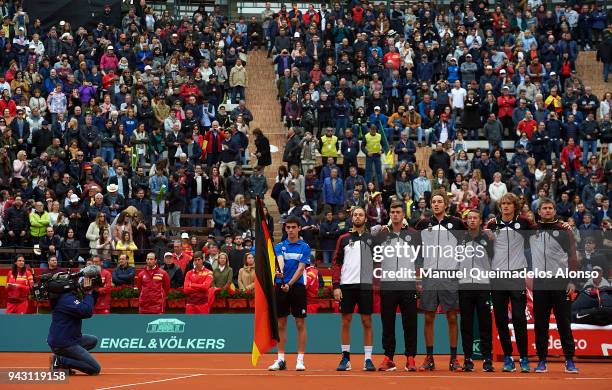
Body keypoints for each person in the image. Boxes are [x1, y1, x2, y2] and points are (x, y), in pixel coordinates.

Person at [414, 190, 465, 371]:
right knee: (429, 317)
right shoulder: (423, 224)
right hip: (429, 277)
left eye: (439, 202)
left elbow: (465, 247)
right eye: (433, 202)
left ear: (445, 204)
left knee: (451, 316)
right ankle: (429, 358)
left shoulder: (457, 223)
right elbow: (415, 250)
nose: (436, 204)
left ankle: (454, 358)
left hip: (449, 276)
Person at [530, 198, 580, 374]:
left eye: (550, 208)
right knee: (541, 325)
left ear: (554, 210)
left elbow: (573, 256)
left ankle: (569, 360)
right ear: (539, 211)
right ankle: (542, 360)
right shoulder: (532, 230)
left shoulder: (564, 230)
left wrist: (572, 280)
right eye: (544, 208)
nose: (548, 210)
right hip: (540, 283)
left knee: (564, 323)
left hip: (560, 282)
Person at [484, 193, 531, 373]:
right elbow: (485, 251)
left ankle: (524, 358)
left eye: (509, 204)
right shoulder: (491, 225)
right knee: (502, 320)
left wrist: (563, 225)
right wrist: (487, 240)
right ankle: (508, 357)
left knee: (519, 318)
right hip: (497, 276)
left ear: (514, 206)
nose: (505, 206)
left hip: (517, 275)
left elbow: (541, 230)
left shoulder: (525, 223)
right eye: (503, 203)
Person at [373, 201, 418, 372]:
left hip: (408, 284)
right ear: (389, 214)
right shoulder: (382, 234)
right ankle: (388, 357)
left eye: (398, 212)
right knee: (388, 322)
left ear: (403, 214)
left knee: (410, 322)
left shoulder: (413, 234)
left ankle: (411, 357)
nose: (395, 215)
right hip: (388, 283)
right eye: (392, 212)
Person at [331, 207, 376, 372]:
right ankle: (345, 358)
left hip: (365, 286)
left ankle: (368, 359)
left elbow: (378, 263)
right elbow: (336, 263)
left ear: (365, 218)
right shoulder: (343, 239)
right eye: (355, 215)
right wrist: (336, 285)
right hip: (347, 285)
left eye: (361, 215)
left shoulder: (372, 239)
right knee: (345, 321)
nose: (358, 217)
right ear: (352, 217)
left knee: (367, 322)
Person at [268, 216, 311, 371]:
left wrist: (289, 283)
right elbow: (280, 261)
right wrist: (280, 273)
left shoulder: (304, 247)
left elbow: (301, 269)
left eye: (293, 227)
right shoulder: (280, 246)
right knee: (281, 323)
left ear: (299, 228)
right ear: (285, 229)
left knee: (300, 323)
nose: (291, 230)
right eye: (288, 227)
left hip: (297, 287)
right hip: (280, 287)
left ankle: (300, 360)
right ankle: (280, 360)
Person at [458, 209, 495, 372]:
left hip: (483, 286)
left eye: (475, 218)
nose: (472, 220)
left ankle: (488, 359)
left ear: (481, 221)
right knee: (466, 324)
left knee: (485, 324)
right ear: (466, 221)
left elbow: (494, 259)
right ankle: (468, 359)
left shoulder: (488, 238)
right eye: (469, 218)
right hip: (464, 286)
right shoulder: (461, 239)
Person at [48, 274, 101, 375]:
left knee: (92, 340)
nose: (74, 283)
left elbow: (86, 303)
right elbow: (87, 312)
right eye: (70, 281)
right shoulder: (66, 300)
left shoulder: (64, 297)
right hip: (64, 344)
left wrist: (94, 291)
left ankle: (64, 363)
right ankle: (60, 360)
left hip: (69, 339)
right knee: (95, 369)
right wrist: (88, 293)